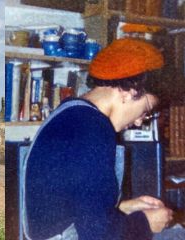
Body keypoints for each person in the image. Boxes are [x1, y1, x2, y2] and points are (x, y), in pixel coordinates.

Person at [23, 39, 173, 240]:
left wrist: (125, 208)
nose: (139, 122)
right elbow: (98, 235)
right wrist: (146, 223)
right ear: (129, 92)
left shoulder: (72, 113)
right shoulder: (92, 130)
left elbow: (75, 206)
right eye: (145, 111)